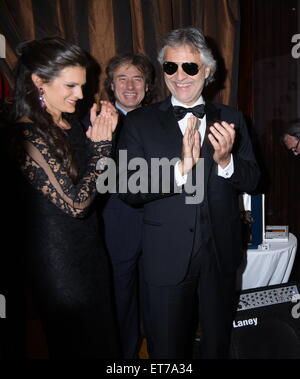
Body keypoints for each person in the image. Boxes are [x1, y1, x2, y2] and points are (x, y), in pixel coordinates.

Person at [118, 27, 261, 359]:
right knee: (166, 348)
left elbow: (254, 179)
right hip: (165, 255)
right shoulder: (139, 123)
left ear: (207, 71)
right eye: (171, 67)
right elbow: (127, 188)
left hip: (221, 254)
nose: (179, 76)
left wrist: (226, 161)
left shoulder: (232, 118)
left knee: (216, 343)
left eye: (190, 67)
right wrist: (180, 170)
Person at [11, 37, 119, 359]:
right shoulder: (27, 134)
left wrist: (100, 139)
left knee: (103, 339)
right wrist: (100, 150)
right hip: (59, 263)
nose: (81, 95)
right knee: (77, 344)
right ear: (38, 81)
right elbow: (76, 204)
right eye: (71, 86)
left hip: (90, 250)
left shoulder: (68, 122)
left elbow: (98, 185)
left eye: (82, 86)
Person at [101, 53, 155, 358]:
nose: (130, 85)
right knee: (120, 301)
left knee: (159, 303)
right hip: (116, 228)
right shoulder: (94, 121)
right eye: (122, 78)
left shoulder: (165, 121)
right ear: (111, 85)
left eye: (137, 78)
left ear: (147, 86)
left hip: (157, 229)